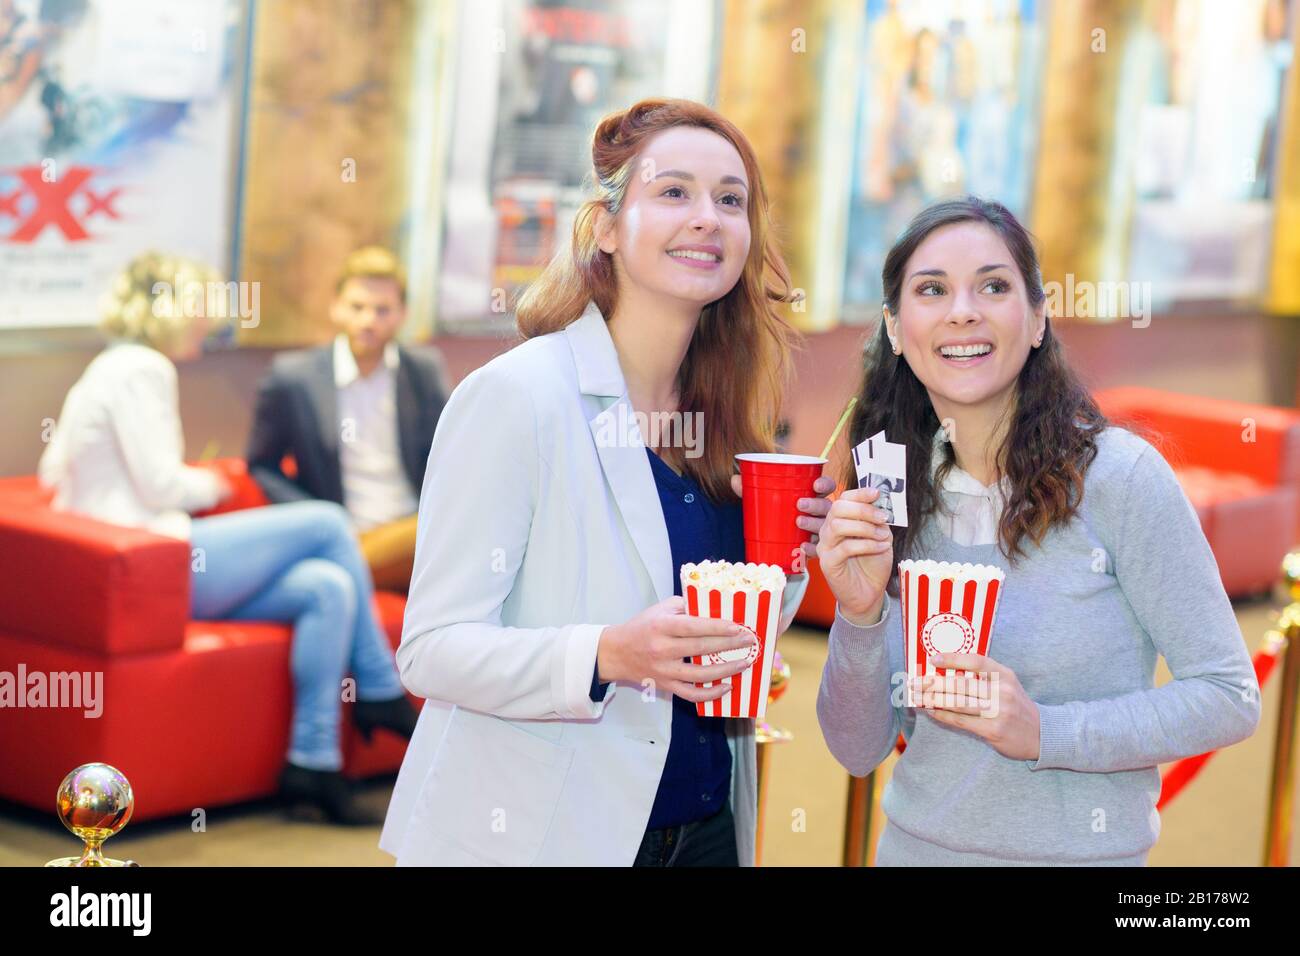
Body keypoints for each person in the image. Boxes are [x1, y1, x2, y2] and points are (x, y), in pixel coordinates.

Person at [380, 98, 835, 866]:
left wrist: (796, 553)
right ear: (604, 227)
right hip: (543, 831)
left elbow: (736, 629)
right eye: (673, 192)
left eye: (731, 200)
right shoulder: (517, 398)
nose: (707, 218)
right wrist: (607, 655)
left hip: (708, 822)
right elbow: (430, 649)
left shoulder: (726, 418)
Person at [815, 197, 1261, 865]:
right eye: (932, 290)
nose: (963, 310)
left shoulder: (1119, 480)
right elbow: (857, 748)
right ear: (897, 330)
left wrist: (1044, 732)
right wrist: (859, 614)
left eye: (993, 286)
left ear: (1038, 319)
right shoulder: (892, 488)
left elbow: (1228, 697)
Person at [37, 252, 419, 825]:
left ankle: (311, 762)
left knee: (328, 586)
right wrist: (211, 483)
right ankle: (382, 685)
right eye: (197, 307)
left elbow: (51, 473)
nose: (206, 320)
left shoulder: (108, 366)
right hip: (156, 563)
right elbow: (162, 483)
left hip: (138, 563)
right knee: (327, 523)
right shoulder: (145, 368)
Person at [246, 246, 448, 592]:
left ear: (402, 314)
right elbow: (262, 465)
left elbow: (451, 455)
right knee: (445, 540)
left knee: (447, 527)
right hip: (347, 531)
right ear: (336, 307)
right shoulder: (295, 378)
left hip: (412, 528)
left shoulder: (422, 373)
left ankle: (343, 575)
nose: (368, 320)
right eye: (357, 307)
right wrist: (321, 520)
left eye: (383, 310)